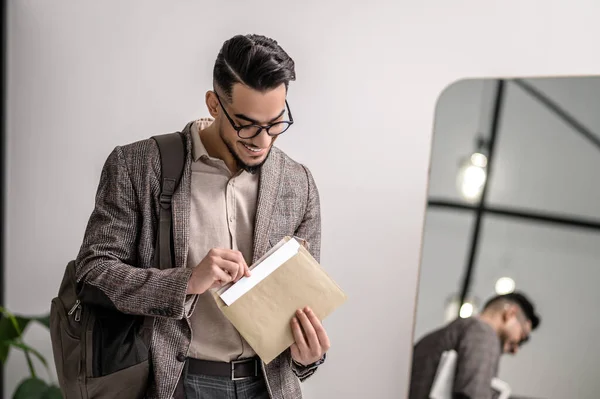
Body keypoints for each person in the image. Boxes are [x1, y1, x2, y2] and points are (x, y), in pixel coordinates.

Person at [75, 34, 329, 399]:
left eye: (275, 123)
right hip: (174, 383)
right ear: (213, 104)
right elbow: (92, 273)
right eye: (247, 125)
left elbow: (302, 307)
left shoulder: (298, 184)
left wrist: (307, 356)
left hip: (268, 387)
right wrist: (187, 282)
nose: (263, 141)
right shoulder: (138, 166)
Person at [408, 292, 541, 399]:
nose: (516, 350)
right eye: (522, 338)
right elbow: (473, 393)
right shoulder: (484, 334)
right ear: (510, 314)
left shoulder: (439, 336)